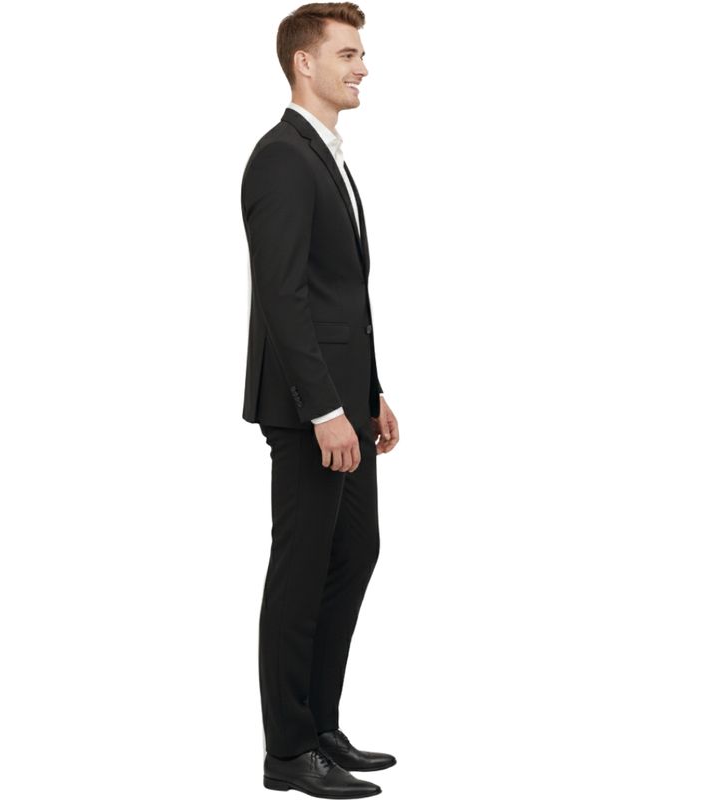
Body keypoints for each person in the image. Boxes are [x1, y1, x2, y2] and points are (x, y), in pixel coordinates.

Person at [240, 4, 399, 797]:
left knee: (355, 552)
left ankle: (321, 726)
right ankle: (288, 752)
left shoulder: (325, 156)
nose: (362, 65)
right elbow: (284, 295)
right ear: (305, 63)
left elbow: (341, 297)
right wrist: (324, 409)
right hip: (308, 411)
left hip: (345, 404)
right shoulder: (280, 158)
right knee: (301, 569)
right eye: (348, 53)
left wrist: (371, 394)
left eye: (361, 53)